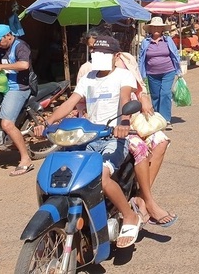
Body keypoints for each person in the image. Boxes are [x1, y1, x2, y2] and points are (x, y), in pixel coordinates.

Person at [35, 36, 176, 248]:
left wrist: (124, 123)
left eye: (104, 54)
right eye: (95, 54)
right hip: (88, 136)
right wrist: (47, 121)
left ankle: (129, 215)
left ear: (116, 56)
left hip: (112, 137)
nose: (99, 58)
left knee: (100, 175)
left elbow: (125, 101)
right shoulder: (87, 78)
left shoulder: (123, 75)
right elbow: (71, 102)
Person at [0, 24, 35, 176]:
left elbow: (24, 64)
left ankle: (26, 159)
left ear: (8, 35)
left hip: (19, 87)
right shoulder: (0, 48)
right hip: (3, 87)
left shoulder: (20, 46)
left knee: (7, 124)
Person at [139, 17, 183, 130]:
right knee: (155, 96)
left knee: (165, 94)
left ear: (162, 29)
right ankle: (157, 119)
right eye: (154, 27)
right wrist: (140, 74)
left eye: (159, 27)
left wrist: (178, 70)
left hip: (168, 71)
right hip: (152, 73)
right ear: (151, 29)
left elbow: (175, 54)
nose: (156, 29)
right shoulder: (145, 42)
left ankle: (166, 119)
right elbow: (141, 58)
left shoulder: (168, 40)